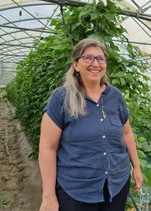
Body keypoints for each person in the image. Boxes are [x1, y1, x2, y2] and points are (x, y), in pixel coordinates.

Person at [38, 38, 143, 211]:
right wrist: (48, 196)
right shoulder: (62, 99)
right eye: (88, 58)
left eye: (100, 59)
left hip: (116, 186)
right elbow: (47, 148)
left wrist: (137, 167)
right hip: (76, 190)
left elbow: (126, 133)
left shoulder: (115, 96)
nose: (95, 64)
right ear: (76, 65)